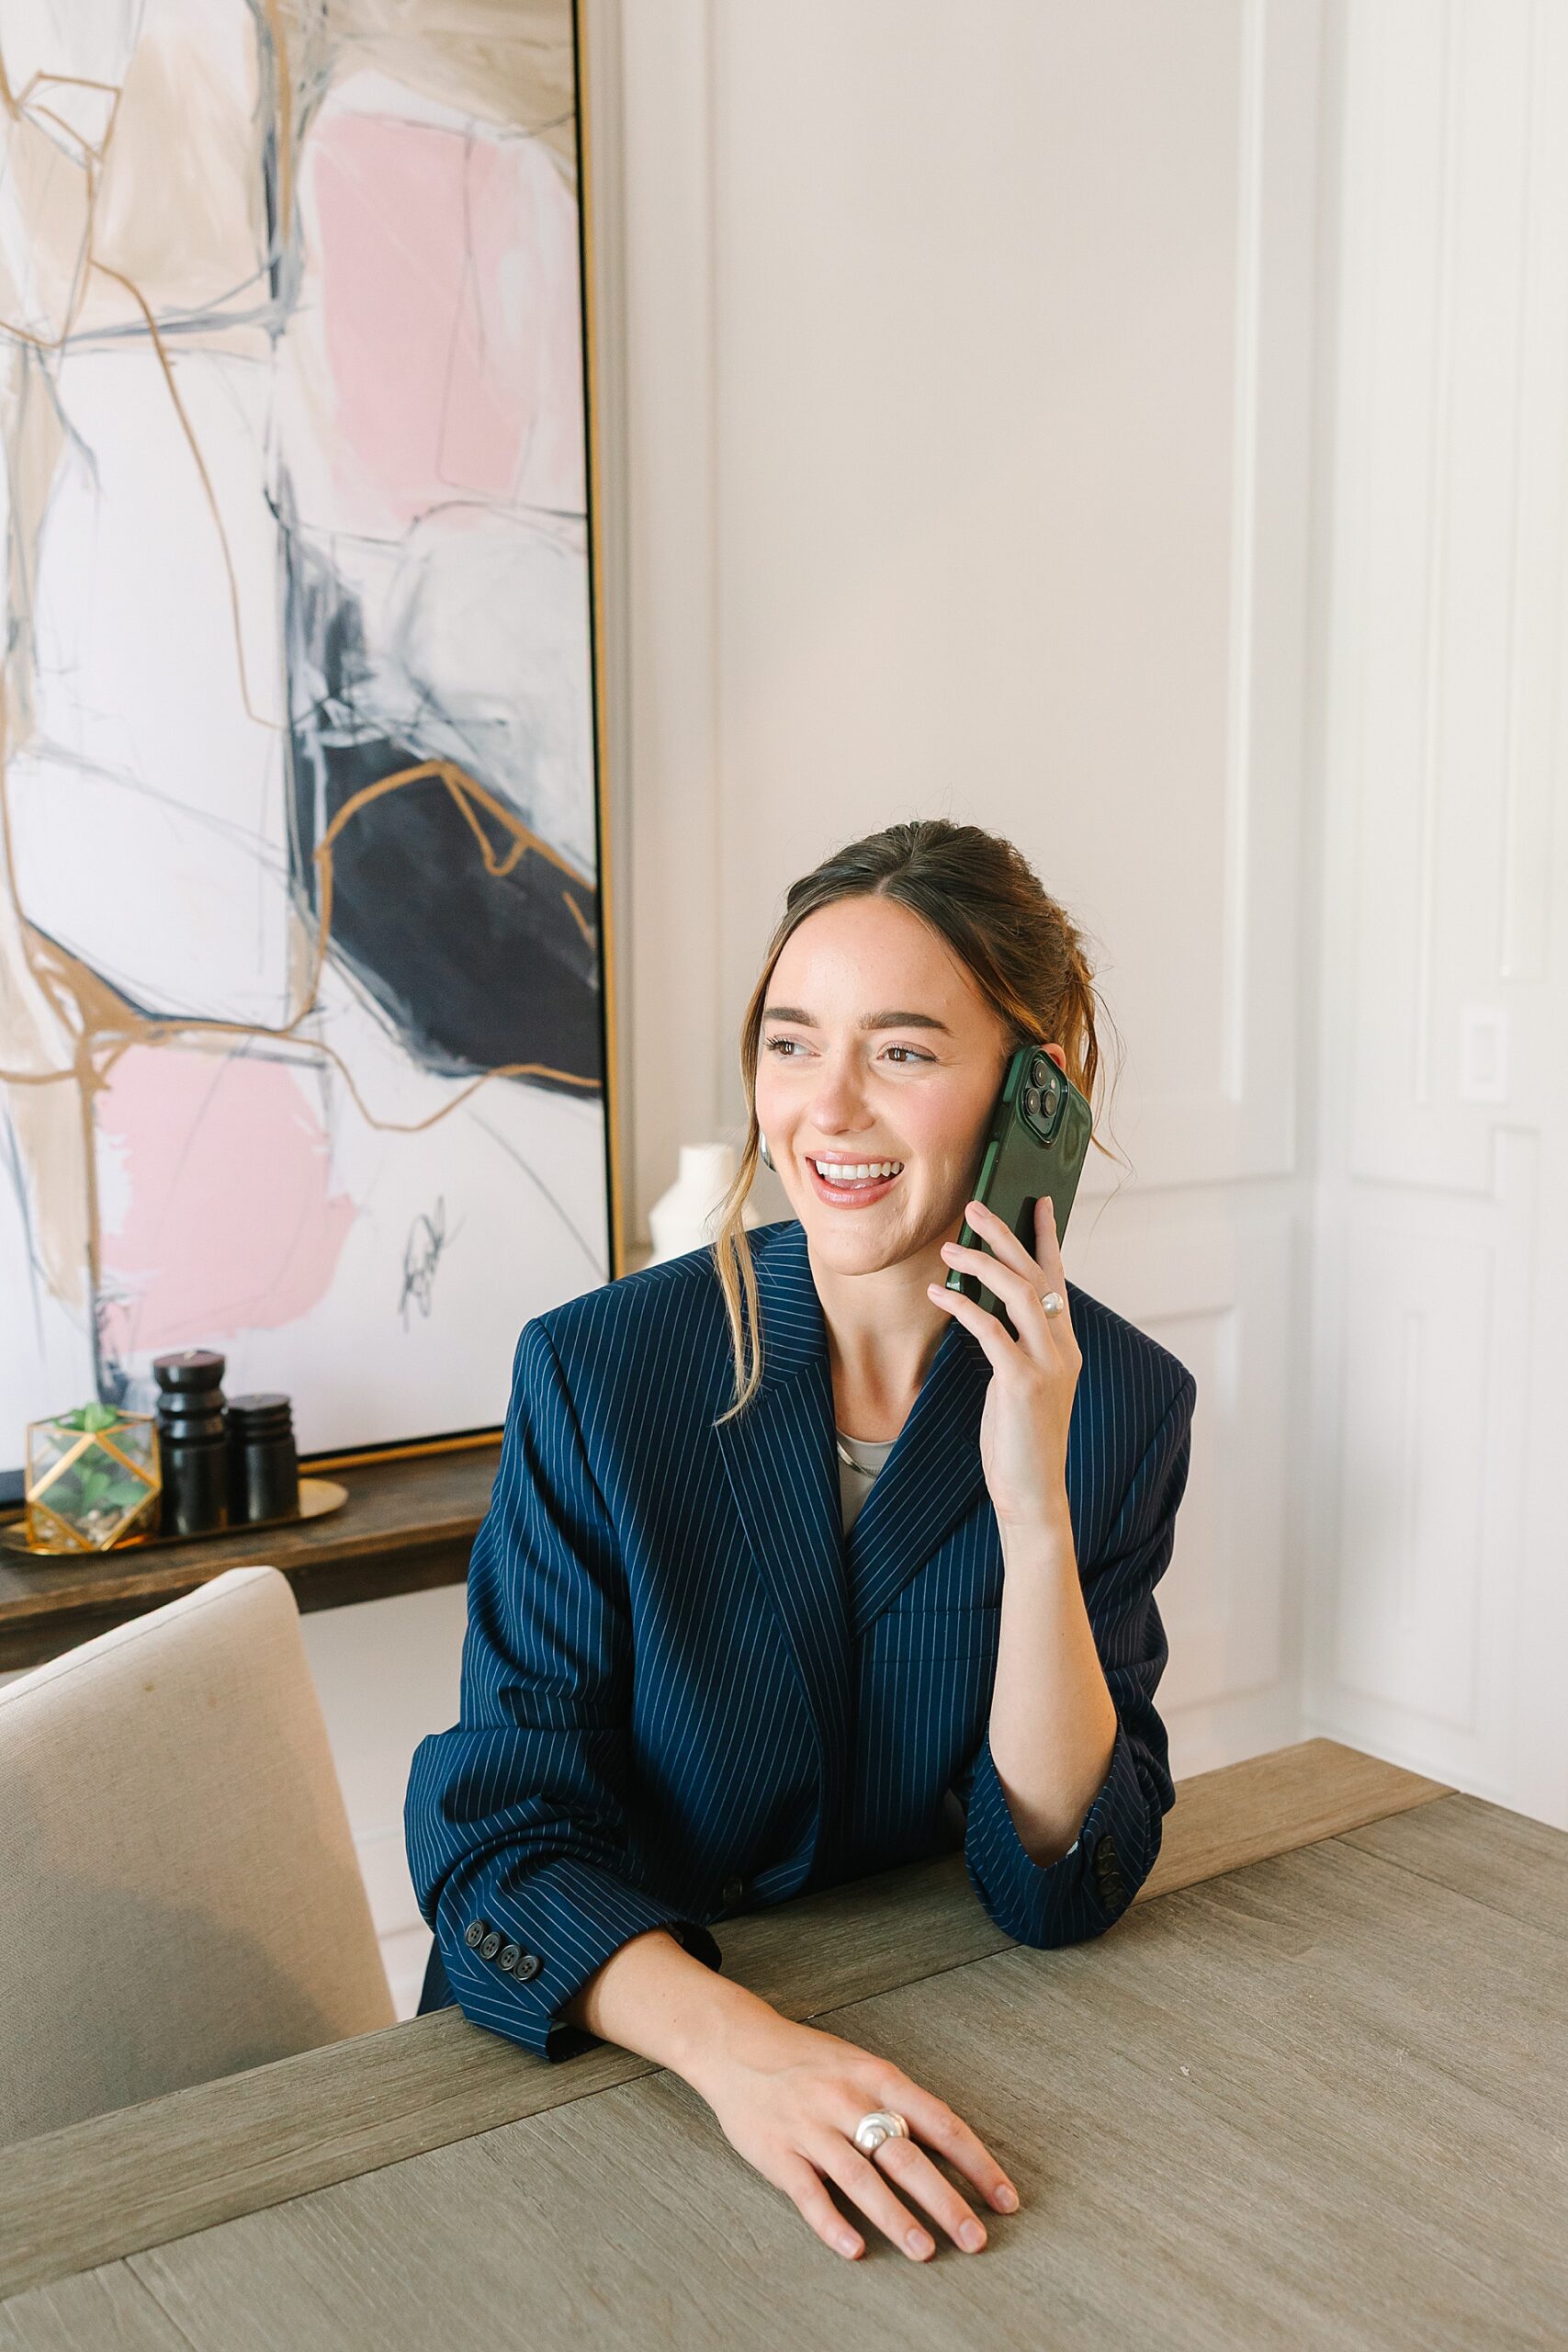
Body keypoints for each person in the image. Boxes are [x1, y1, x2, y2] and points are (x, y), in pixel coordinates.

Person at [404, 818, 1198, 2266]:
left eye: (901, 1052)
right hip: (610, 2060)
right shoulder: (601, 1374)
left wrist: (1033, 1513)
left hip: (909, 2054)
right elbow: (501, 1840)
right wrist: (746, 2054)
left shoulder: (1122, 1406)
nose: (825, 1111)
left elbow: (1059, 1877)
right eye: (789, 1043)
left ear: (1040, 1093)